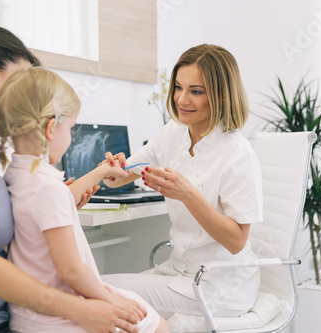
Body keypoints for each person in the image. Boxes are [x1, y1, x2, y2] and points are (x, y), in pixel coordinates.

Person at [0, 25, 141, 333]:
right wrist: (81, 309)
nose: (28, 95)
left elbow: (25, 206)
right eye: (22, 81)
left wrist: (97, 175)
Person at [0, 66, 169, 333]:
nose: (72, 137)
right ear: (52, 128)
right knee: (156, 323)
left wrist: (100, 172)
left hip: (28, 314)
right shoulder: (47, 188)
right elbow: (71, 270)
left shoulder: (15, 174)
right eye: (72, 128)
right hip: (57, 320)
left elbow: (53, 201)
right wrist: (110, 300)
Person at [103, 44, 263, 319]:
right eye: (178, 87)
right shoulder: (173, 133)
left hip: (219, 286)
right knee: (95, 289)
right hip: (177, 272)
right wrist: (112, 170)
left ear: (221, 96)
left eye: (196, 91)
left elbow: (237, 241)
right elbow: (119, 179)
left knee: (103, 293)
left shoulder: (237, 153)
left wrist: (187, 194)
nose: (181, 100)